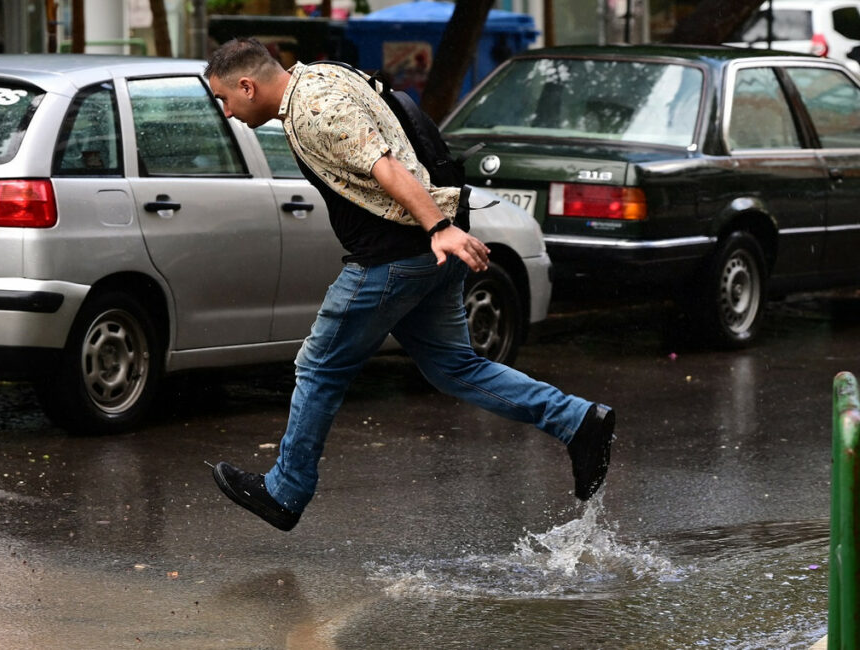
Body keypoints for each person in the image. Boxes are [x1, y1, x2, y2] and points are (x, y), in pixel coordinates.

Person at [205, 38, 615, 532]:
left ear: (247, 86)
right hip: (426, 252)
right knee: (454, 367)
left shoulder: (314, 108)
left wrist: (439, 228)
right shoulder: (322, 75)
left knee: (319, 367)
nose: (227, 112)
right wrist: (441, 230)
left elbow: (386, 166)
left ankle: (285, 492)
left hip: (394, 257)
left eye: (225, 99)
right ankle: (577, 421)